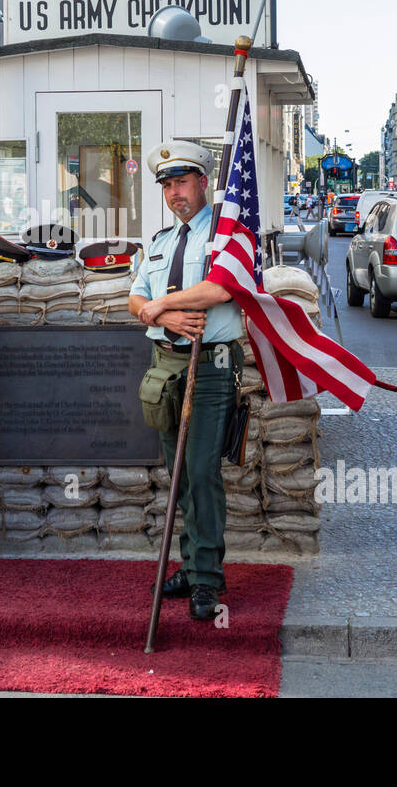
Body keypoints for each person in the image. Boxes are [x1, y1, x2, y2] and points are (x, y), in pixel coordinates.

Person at [129, 141, 244, 621]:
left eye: (183, 182)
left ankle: (207, 580)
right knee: (178, 475)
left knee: (200, 471)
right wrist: (163, 315)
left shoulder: (227, 235)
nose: (175, 193)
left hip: (212, 366)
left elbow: (221, 288)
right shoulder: (159, 242)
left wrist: (162, 308)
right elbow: (136, 300)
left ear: (203, 183)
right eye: (168, 185)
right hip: (167, 365)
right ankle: (191, 563)